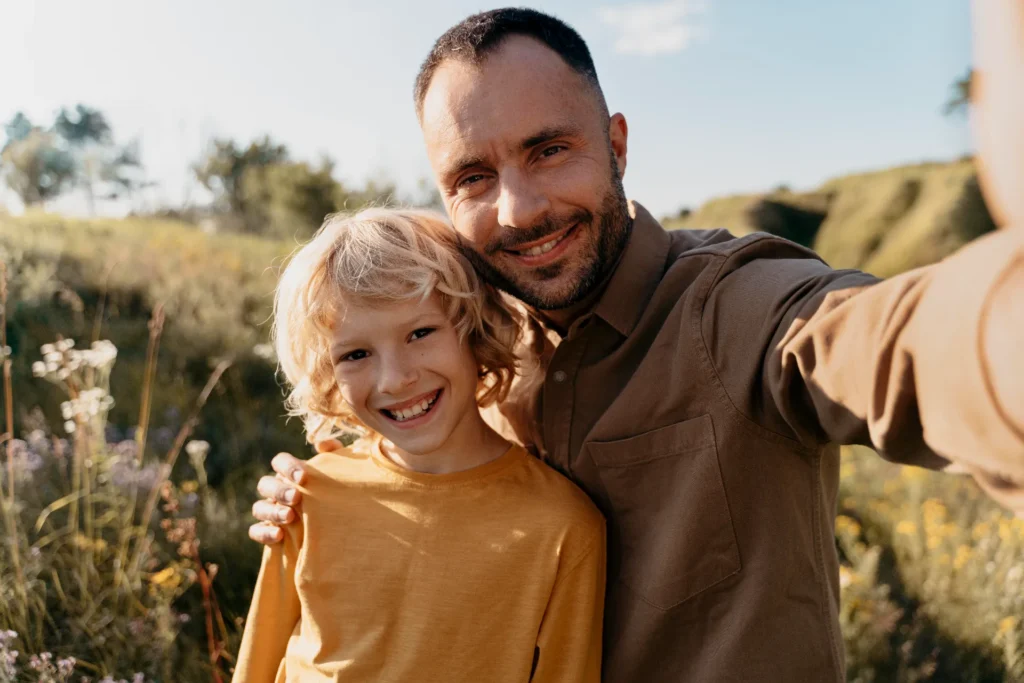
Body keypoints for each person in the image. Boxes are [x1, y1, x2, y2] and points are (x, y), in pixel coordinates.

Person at [250, 6, 1024, 682]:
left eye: (549, 149)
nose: (519, 208)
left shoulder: (732, 305)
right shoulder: (481, 343)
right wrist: (321, 487)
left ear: (617, 144)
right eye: (474, 177)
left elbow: (887, 342)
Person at [234, 208, 605, 682]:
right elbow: (256, 666)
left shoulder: (564, 528)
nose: (396, 379)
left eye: (420, 333)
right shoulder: (306, 495)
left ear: (474, 328)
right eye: (356, 354)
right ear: (328, 372)